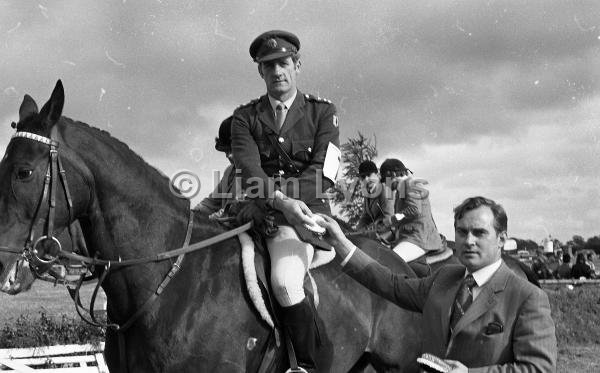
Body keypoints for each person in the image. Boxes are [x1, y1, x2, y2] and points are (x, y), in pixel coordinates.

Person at [317, 196, 557, 372]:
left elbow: (539, 369)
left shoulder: (528, 297)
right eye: (462, 232)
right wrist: (341, 243)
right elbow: (390, 284)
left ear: (502, 239)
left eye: (479, 233)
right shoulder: (444, 279)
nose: (468, 241)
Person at [230, 30, 340, 372]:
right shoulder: (244, 118)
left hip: (305, 218)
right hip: (259, 213)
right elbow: (249, 171)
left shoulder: (323, 113)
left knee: (284, 280)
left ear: (297, 65)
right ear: (260, 72)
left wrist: (289, 205)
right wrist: (279, 202)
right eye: (268, 66)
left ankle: (308, 364)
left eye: (283, 63)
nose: (277, 71)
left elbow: (324, 173)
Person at [380, 158, 443, 276]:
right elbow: (404, 217)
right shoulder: (401, 189)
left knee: (389, 262)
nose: (386, 185)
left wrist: (392, 219)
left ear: (393, 174)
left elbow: (414, 210)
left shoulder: (410, 184)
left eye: (386, 181)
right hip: (409, 236)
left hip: (419, 237)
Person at [195, 116, 241, 215]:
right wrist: (190, 214)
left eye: (232, 149)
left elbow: (234, 210)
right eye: (226, 151)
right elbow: (211, 203)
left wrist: (206, 220)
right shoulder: (229, 171)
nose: (228, 155)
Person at [355, 160, 394, 241]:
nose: (366, 179)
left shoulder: (386, 189)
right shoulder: (367, 194)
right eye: (363, 177)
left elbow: (389, 218)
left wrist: (368, 230)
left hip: (392, 233)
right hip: (377, 233)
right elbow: (365, 217)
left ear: (378, 175)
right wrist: (358, 232)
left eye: (369, 175)